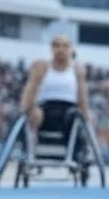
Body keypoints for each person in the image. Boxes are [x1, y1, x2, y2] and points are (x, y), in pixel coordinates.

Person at [18, 34, 91, 165]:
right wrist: (25, 110)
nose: (60, 49)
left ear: (71, 49)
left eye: (65, 46)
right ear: (51, 49)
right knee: (34, 114)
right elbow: (30, 90)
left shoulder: (77, 68)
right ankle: (29, 150)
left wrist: (87, 115)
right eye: (56, 46)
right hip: (45, 109)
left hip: (69, 110)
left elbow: (82, 96)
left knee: (76, 117)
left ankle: (77, 153)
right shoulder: (42, 66)